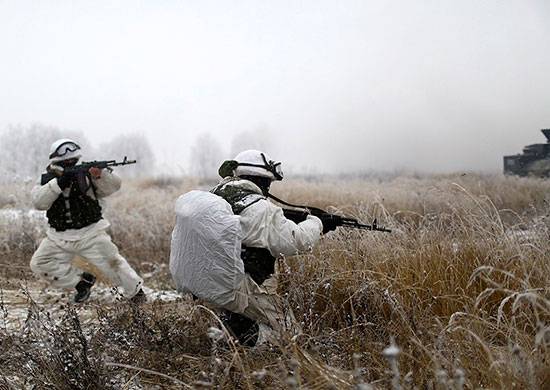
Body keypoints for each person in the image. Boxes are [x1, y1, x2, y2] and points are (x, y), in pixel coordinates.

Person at [208, 149, 334, 346]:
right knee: (292, 338)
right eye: (268, 182)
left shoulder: (215, 196)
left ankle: (232, 328)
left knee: (242, 314)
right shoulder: (260, 208)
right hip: (248, 286)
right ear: (261, 179)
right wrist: (317, 224)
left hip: (215, 280)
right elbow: (296, 240)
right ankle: (242, 338)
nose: (268, 188)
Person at [30, 138, 145, 303]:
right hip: (58, 237)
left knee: (114, 264)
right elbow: (39, 202)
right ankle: (81, 283)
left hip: (90, 233)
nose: (71, 163)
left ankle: (136, 294)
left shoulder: (88, 174)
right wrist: (59, 183)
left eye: (73, 161)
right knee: (40, 264)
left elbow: (113, 187)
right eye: (66, 162)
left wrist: (99, 176)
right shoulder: (46, 179)